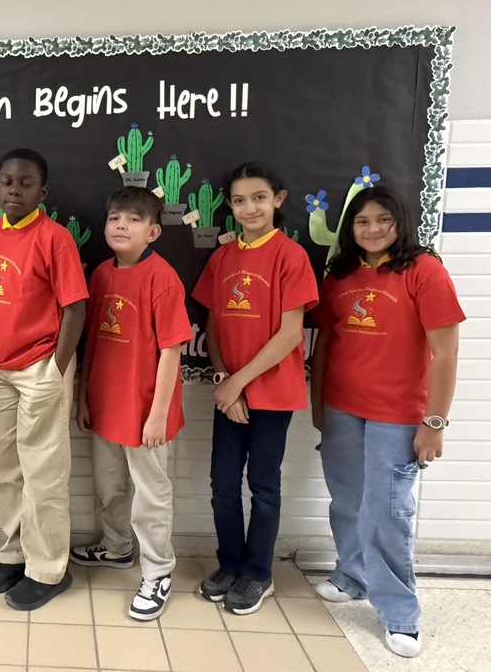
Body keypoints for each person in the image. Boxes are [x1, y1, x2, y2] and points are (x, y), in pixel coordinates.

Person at [310, 185, 463, 658]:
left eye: (382, 220)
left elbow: (446, 352)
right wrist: (319, 405)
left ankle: (400, 613)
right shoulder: (340, 275)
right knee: (348, 502)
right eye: (361, 222)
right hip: (341, 408)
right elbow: (325, 344)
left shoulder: (425, 272)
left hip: (397, 416)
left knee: (387, 513)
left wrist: (434, 423)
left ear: (399, 223)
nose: (372, 230)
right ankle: (352, 576)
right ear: (349, 230)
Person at [192, 162, 318, 614]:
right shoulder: (222, 258)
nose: (250, 207)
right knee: (222, 484)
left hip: (272, 392)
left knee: (263, 486)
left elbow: (290, 335)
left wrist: (240, 384)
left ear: (278, 200)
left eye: (259, 197)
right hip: (231, 390)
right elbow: (214, 324)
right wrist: (226, 380)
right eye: (240, 200)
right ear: (230, 205)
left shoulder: (290, 256)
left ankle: (259, 573)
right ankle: (230, 563)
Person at [70, 187, 192, 621]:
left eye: (133, 219)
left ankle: (158, 571)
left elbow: (172, 351)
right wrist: (83, 397)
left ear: (153, 231)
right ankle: (117, 547)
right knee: (109, 488)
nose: (121, 225)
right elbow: (90, 346)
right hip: (105, 406)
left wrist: (157, 414)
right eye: (115, 218)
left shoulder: (163, 278)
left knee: (151, 496)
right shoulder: (100, 274)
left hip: (146, 413)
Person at [0, 148, 88, 611]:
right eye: (6, 182)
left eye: (25, 184)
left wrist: (55, 371)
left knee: (43, 474)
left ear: (42, 192)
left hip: (41, 366)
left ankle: (48, 569)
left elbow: (76, 308)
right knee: (6, 471)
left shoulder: (54, 237)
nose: (14, 190)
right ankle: (15, 554)